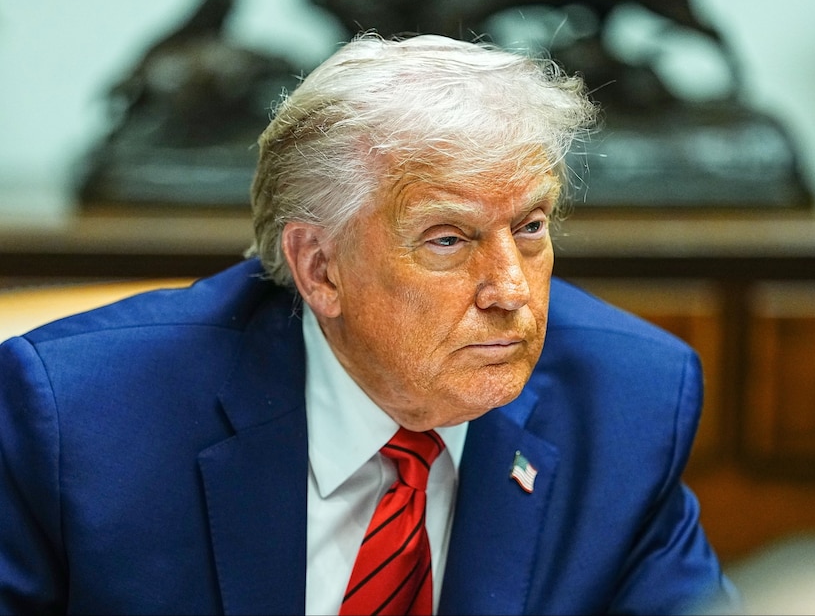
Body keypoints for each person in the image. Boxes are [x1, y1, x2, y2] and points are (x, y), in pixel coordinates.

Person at [0, 33, 736, 615]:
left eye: (532, 226)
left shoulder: (628, 404)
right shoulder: (78, 420)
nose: (512, 288)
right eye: (448, 238)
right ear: (320, 269)